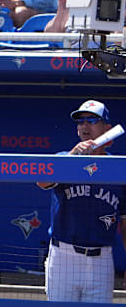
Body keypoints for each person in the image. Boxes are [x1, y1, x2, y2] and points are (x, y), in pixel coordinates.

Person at [38, 100, 126, 303]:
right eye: (81, 122)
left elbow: (125, 223)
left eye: (92, 120)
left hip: (102, 259)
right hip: (64, 255)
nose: (85, 126)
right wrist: (73, 157)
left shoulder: (118, 167)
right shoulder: (63, 158)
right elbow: (42, 182)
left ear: (107, 129)